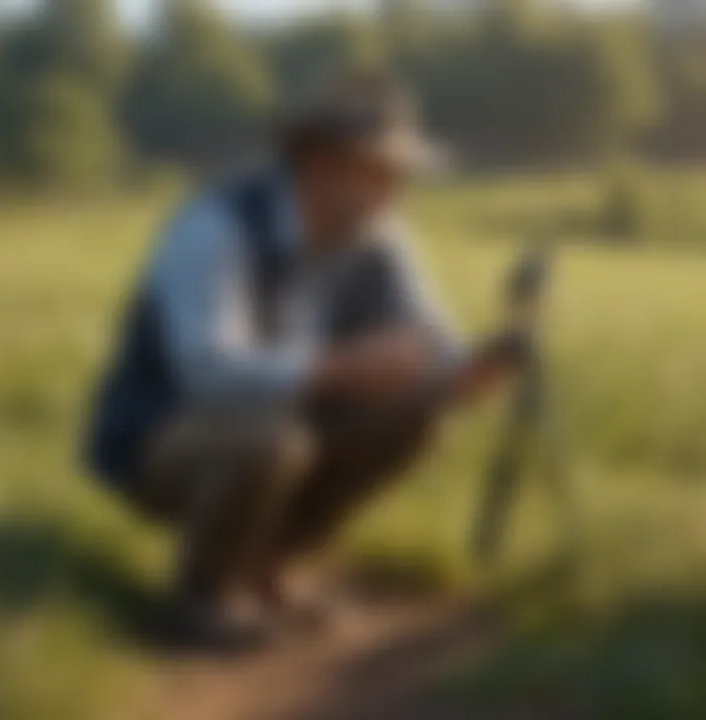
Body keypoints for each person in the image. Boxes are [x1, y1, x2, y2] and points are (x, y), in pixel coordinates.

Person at [86, 70, 529, 646]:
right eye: (380, 172)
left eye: (401, 175)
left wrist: (469, 373)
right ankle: (201, 600)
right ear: (319, 164)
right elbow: (210, 372)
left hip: (285, 420)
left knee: (416, 415)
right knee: (272, 439)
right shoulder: (215, 228)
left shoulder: (382, 234)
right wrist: (341, 366)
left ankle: (272, 566)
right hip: (161, 434)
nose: (396, 192)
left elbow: (432, 342)